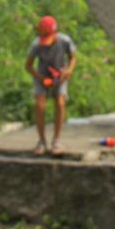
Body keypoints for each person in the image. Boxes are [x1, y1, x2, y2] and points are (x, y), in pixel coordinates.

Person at [24, 14, 77, 155]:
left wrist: (69, 71)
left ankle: (56, 141)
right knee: (40, 105)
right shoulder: (36, 44)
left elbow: (73, 58)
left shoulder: (65, 41)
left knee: (60, 103)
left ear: (55, 33)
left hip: (60, 76)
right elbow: (28, 66)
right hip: (42, 76)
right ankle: (41, 141)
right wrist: (40, 77)